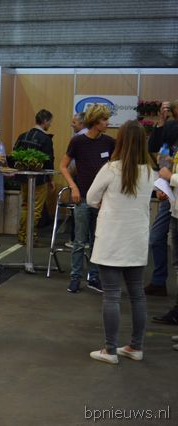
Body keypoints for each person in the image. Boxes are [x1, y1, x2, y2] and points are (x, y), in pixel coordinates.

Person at [86, 120, 155, 364]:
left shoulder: (111, 169)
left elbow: (91, 198)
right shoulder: (150, 172)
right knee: (137, 295)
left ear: (121, 141)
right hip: (137, 240)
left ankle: (110, 350)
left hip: (111, 240)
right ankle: (136, 347)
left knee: (112, 296)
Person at [60, 104, 115, 293]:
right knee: (79, 241)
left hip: (102, 201)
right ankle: (75, 277)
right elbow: (63, 166)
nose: (108, 123)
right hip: (82, 198)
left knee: (97, 241)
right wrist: (73, 187)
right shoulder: (78, 141)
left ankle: (94, 277)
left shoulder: (109, 142)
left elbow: (115, 169)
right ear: (95, 121)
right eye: (104, 119)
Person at [146, 100, 177, 297]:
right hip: (169, 196)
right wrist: (161, 121)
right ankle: (158, 282)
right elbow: (155, 149)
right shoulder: (169, 136)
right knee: (157, 237)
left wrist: (169, 179)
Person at [14, 109, 55, 245]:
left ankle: (22, 236)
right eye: (49, 122)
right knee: (36, 209)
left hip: (24, 178)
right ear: (45, 121)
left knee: (25, 206)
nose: (50, 124)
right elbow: (49, 161)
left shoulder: (23, 136)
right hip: (39, 179)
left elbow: (14, 154)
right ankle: (31, 237)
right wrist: (51, 179)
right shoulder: (45, 139)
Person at [64, 112, 87, 249]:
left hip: (78, 179)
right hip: (83, 179)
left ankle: (76, 239)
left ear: (81, 123)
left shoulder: (78, 139)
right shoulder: (86, 136)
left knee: (78, 209)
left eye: (74, 122)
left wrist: (71, 179)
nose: (72, 125)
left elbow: (72, 164)